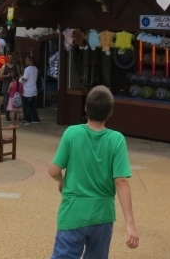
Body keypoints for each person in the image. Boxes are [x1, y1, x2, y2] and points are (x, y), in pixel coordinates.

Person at [48, 86, 139, 258]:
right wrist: (130, 223)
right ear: (110, 111)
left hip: (73, 211)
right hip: (102, 214)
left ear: (86, 108)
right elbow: (121, 181)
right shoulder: (116, 139)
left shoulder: (72, 133)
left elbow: (53, 170)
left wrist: (61, 180)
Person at [20, 55, 40, 124]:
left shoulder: (27, 69)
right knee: (32, 105)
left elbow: (25, 79)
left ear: (30, 61)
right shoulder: (35, 69)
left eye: (27, 60)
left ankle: (27, 119)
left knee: (26, 106)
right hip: (33, 90)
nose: (25, 61)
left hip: (27, 90)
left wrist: (21, 77)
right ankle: (35, 119)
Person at [0, 53, 20, 119]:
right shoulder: (4, 66)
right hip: (6, 85)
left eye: (11, 58)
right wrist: (7, 75)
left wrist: (14, 75)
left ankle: (14, 114)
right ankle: (7, 114)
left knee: (15, 100)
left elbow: (19, 75)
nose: (10, 59)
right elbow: (1, 75)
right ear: (7, 58)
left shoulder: (16, 66)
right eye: (9, 58)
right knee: (7, 100)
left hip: (14, 86)